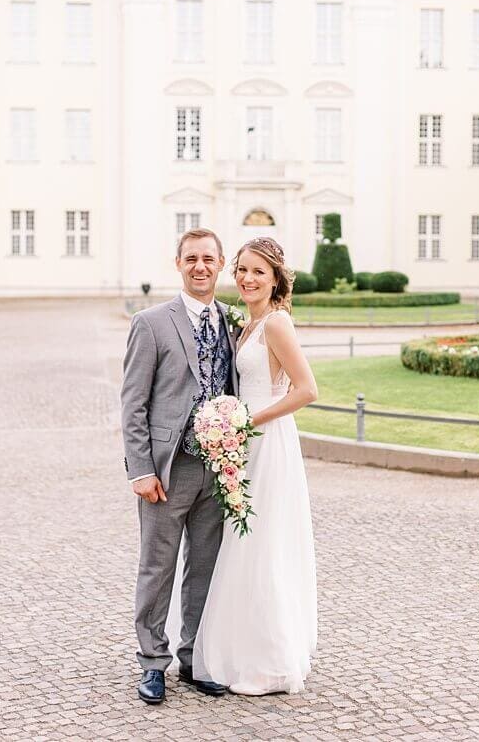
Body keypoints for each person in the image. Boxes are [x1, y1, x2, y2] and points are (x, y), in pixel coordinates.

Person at [190, 236, 318, 695]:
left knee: (261, 543)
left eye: (258, 271)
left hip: (267, 440)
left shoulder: (277, 324)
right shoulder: (248, 323)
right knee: (245, 542)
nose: (246, 278)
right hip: (245, 443)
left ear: (275, 278)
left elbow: (306, 390)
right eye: (241, 269)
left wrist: (244, 421)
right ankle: (243, 647)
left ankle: (271, 660)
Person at [121, 228, 239, 704]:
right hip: (169, 468)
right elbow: (133, 403)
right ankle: (152, 662)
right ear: (178, 263)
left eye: (208, 259)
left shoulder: (231, 323)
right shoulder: (151, 323)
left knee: (205, 567)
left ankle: (194, 658)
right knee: (158, 567)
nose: (200, 267)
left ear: (221, 263)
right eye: (191, 258)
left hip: (218, 465)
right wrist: (140, 468)